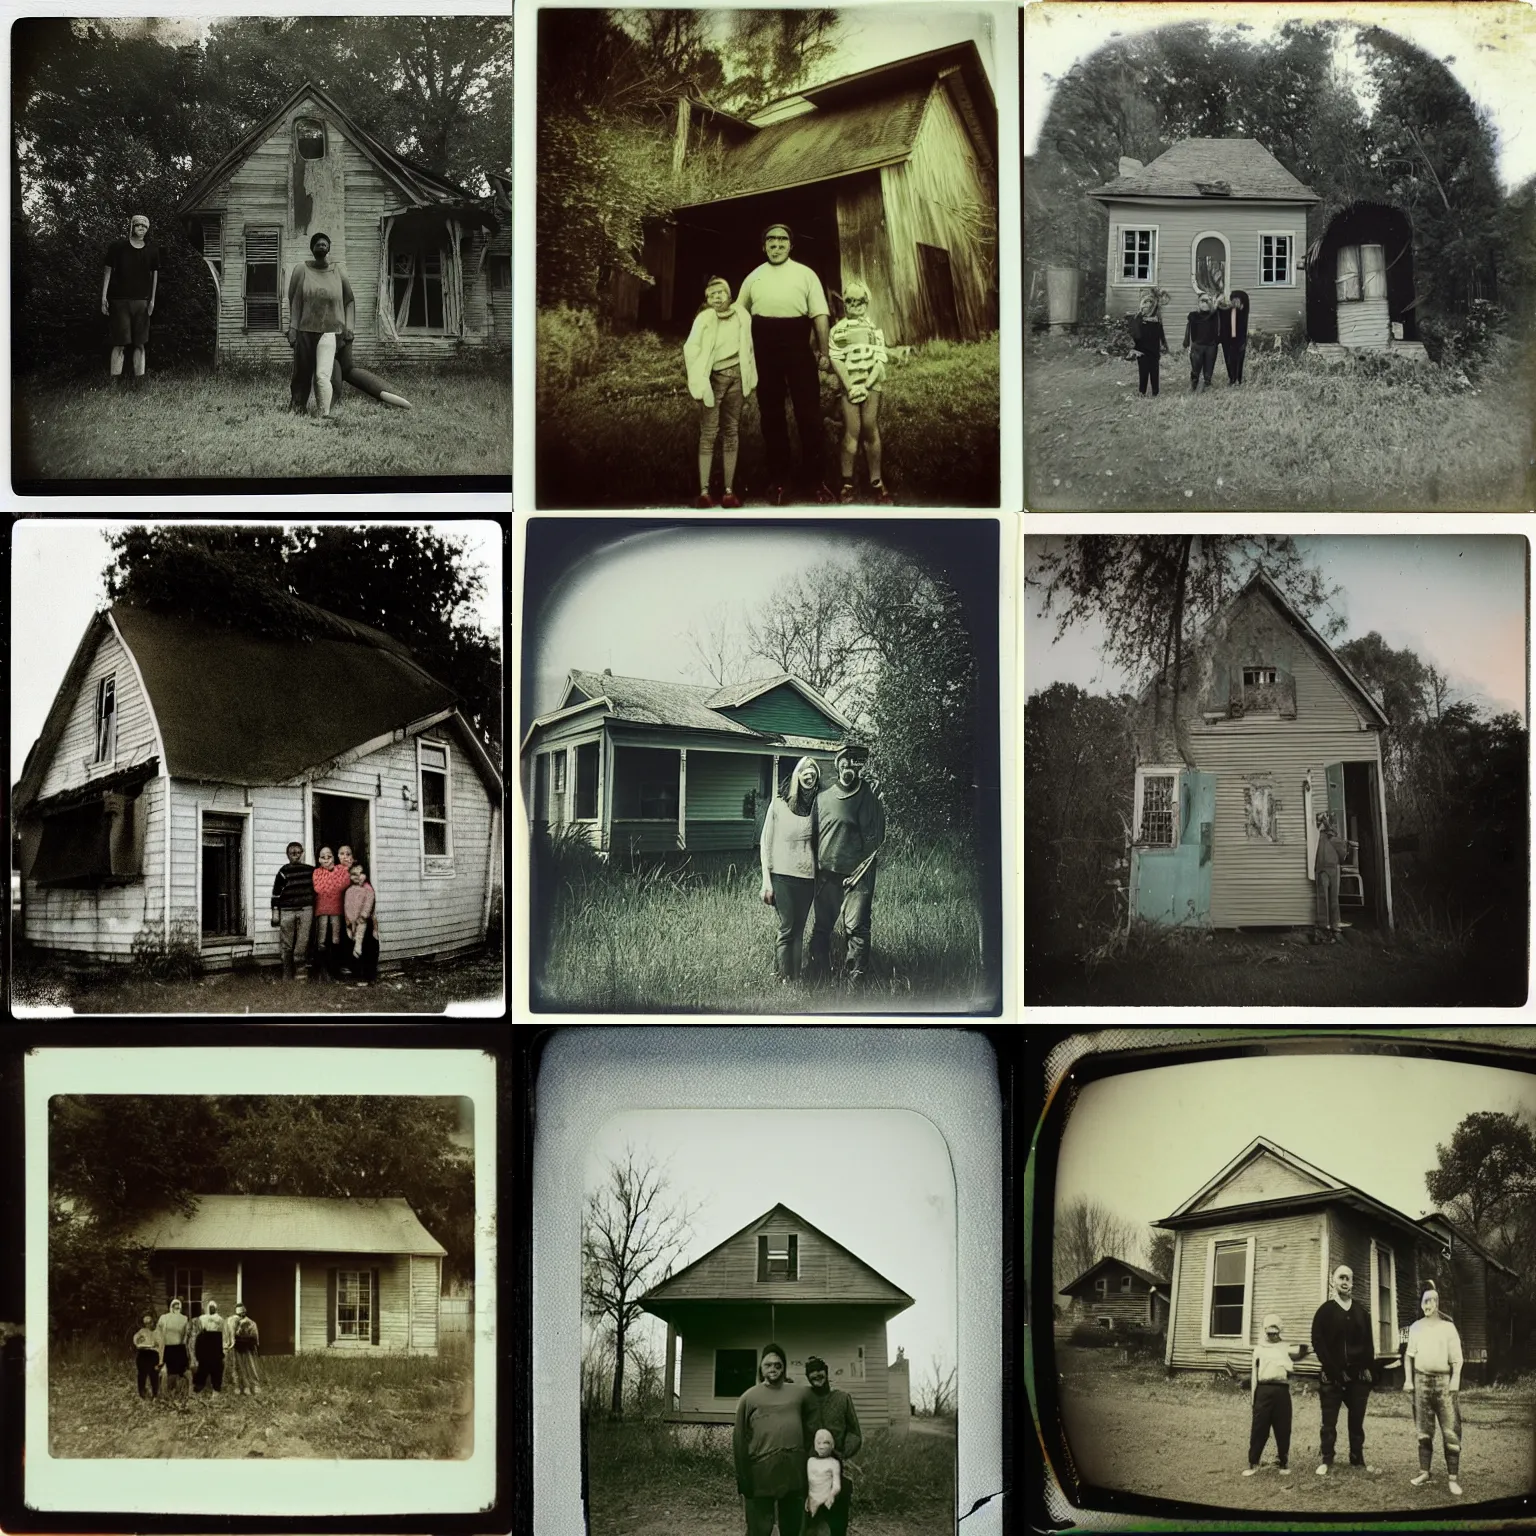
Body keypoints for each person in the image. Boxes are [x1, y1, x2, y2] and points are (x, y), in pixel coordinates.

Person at [737, 223, 836, 506]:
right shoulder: (753, 278)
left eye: (782, 240)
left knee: (809, 415)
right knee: (772, 416)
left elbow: (819, 315)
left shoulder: (806, 274)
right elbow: (738, 316)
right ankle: (780, 481)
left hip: (797, 348)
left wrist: (824, 352)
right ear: (764, 245)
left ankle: (815, 481)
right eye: (771, 240)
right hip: (764, 349)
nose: (776, 244)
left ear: (791, 246)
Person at [808, 744, 886, 983]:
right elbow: (812, 837)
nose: (849, 765)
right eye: (845, 760)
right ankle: (817, 976)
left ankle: (856, 982)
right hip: (826, 875)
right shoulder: (822, 799)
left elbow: (877, 838)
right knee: (822, 928)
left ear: (861, 767)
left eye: (855, 761)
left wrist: (860, 871)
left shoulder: (869, 796)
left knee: (856, 929)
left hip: (858, 875)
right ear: (837, 764)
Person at [684, 275, 757, 508]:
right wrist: (699, 378)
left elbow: (749, 345)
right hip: (713, 380)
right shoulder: (704, 318)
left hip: (737, 377)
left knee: (731, 431)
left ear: (730, 295)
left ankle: (728, 491)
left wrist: (748, 374)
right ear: (706, 299)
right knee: (708, 433)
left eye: (721, 292)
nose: (717, 297)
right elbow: (691, 348)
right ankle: (704, 492)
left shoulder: (741, 316)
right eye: (711, 294)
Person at [733, 1341, 812, 1536]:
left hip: (793, 1470)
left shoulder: (800, 1394)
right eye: (768, 1365)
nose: (773, 1369)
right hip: (761, 1470)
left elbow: (815, 1420)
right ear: (761, 1368)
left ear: (784, 1368)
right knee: (759, 1528)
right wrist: (743, 1479)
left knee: (792, 1526)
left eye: (778, 1365)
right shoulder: (749, 1397)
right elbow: (739, 1441)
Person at [827, 280, 892, 504]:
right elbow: (836, 358)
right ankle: (847, 483)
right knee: (852, 431)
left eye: (860, 300)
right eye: (850, 300)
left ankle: (877, 482)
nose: (855, 304)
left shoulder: (875, 330)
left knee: (870, 428)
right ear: (844, 303)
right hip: (849, 385)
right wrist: (850, 385)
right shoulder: (837, 330)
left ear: (867, 302)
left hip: (871, 384)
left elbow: (879, 361)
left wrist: (865, 385)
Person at [1311, 1264, 1378, 1476]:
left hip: (1357, 1377)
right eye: (1341, 1277)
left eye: (1349, 1278)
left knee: (1356, 1420)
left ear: (1352, 1283)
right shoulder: (1324, 1311)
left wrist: (1367, 1369)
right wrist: (1332, 1370)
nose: (1345, 1282)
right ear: (1333, 1281)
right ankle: (1327, 1459)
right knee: (1329, 1421)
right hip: (1332, 1376)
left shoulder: (1361, 1312)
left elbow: (1369, 1344)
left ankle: (1357, 1458)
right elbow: (1318, 1342)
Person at [760, 756, 821, 983]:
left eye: (813, 771)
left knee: (799, 930)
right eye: (804, 770)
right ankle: (784, 980)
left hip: (808, 877)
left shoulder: (818, 806)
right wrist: (766, 881)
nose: (809, 774)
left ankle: (794, 977)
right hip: (782, 877)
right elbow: (765, 844)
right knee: (787, 927)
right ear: (796, 774)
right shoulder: (778, 803)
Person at [286, 232, 355, 420]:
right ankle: (297, 406)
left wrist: (349, 328)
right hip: (305, 329)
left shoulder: (338, 271)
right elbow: (295, 300)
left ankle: (326, 409)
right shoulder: (302, 269)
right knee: (302, 371)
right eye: (318, 244)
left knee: (328, 373)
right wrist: (293, 328)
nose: (321, 246)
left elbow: (349, 300)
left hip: (332, 331)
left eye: (325, 244)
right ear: (312, 248)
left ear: (329, 248)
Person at [1405, 1285, 1464, 1495]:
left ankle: (1453, 1478)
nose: (1429, 1305)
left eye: (1432, 1300)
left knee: (1451, 1429)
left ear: (1438, 1303)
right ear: (1421, 1305)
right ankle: (1424, 1471)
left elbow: (1457, 1359)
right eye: (1425, 1301)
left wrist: (1455, 1380)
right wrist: (1408, 1381)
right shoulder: (1415, 1327)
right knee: (1423, 1429)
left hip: (1444, 1383)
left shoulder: (1448, 1328)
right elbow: (1409, 1356)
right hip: (1421, 1381)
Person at [803, 1355, 861, 1536]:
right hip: (810, 1472)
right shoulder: (804, 1401)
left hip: (837, 1469)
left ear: (826, 1373)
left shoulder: (842, 1398)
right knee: (810, 1523)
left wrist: (843, 1453)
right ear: (808, 1377)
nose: (816, 1375)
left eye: (819, 1370)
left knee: (837, 1523)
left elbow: (855, 1432)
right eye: (812, 1372)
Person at [1245, 1313, 1309, 1477]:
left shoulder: (1286, 1347)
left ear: (1280, 1331)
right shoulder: (1258, 1349)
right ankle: (1253, 1463)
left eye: (1275, 1332)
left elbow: (1304, 1349)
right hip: (1263, 1390)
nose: (1272, 1335)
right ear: (1264, 1331)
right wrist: (1254, 1399)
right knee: (1259, 1427)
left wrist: (1301, 1353)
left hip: (1281, 1390)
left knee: (1283, 1428)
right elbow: (1254, 1374)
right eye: (1269, 1332)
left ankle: (1283, 1462)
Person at [99, 214, 159, 389]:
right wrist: (104, 297)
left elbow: (154, 275)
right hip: (120, 301)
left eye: (145, 226)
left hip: (142, 302)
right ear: (132, 226)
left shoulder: (152, 250)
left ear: (147, 230)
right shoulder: (117, 248)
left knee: (140, 343)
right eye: (138, 225)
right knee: (119, 343)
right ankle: (114, 385)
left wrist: (152, 300)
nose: (141, 228)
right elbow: (107, 272)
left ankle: (140, 384)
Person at [271, 840, 315, 982]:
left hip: (305, 910)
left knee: (302, 942)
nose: (295, 855)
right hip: (287, 910)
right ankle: (287, 972)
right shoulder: (283, 871)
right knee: (287, 943)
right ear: (287, 855)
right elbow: (276, 894)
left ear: (302, 854)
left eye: (298, 852)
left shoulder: (311, 870)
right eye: (292, 853)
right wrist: (275, 912)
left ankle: (301, 971)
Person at [1313, 812, 1352, 944]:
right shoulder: (1316, 836)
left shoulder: (1335, 838)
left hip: (1332, 869)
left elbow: (1342, 855)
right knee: (1323, 899)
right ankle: (1323, 930)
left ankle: (1335, 929)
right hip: (1322, 868)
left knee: (1332, 900)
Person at [312, 847, 350, 981]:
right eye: (323, 857)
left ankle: (335, 969)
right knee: (321, 940)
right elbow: (318, 888)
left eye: (329, 856)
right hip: (322, 909)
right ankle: (322, 970)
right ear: (318, 859)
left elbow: (343, 884)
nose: (326, 859)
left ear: (333, 857)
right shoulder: (316, 872)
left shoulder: (341, 869)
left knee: (336, 938)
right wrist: (333, 881)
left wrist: (329, 882)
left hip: (336, 909)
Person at [1129, 289, 1170, 398]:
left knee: (1154, 371)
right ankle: (1142, 392)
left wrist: (1165, 345)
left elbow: (1161, 335)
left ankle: (1155, 392)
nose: (1147, 306)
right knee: (1143, 372)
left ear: (1153, 307)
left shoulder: (1157, 320)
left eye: (1149, 304)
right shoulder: (1138, 319)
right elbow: (1134, 334)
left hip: (1154, 350)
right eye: (1145, 303)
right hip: (1141, 350)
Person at [344, 862, 380, 986]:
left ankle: (369, 976)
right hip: (353, 923)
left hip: (366, 922)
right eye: (354, 874)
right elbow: (347, 906)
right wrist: (348, 921)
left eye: (360, 873)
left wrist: (363, 917)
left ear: (365, 875)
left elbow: (368, 905)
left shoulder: (368, 888)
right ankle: (358, 973)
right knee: (354, 947)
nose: (357, 876)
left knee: (368, 947)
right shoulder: (349, 890)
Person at [156, 1296, 192, 1412]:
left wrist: (186, 1349)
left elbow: (186, 1336)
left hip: (179, 1348)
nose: (176, 1308)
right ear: (170, 1307)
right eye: (174, 1306)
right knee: (165, 1372)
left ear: (180, 1307)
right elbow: (158, 1333)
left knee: (184, 1372)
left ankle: (189, 1393)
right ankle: (164, 1395)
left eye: (178, 1307)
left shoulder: (184, 1319)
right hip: (167, 1348)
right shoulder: (164, 1318)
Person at [189, 1299, 231, 1398]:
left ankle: (216, 1390)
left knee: (217, 1368)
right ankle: (197, 1390)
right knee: (203, 1368)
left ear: (216, 1308)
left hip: (216, 1342)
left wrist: (224, 1348)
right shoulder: (202, 1318)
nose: (212, 1309)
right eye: (210, 1307)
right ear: (207, 1308)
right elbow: (198, 1332)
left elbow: (223, 1333)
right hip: (204, 1341)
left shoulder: (220, 1319)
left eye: (213, 1307)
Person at [804, 1427, 842, 1536]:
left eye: (826, 1442)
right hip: (811, 1501)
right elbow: (808, 1482)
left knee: (824, 1528)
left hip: (825, 1502)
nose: (822, 1446)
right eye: (819, 1442)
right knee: (809, 1529)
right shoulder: (810, 1462)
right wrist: (807, 1497)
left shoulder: (834, 1463)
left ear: (832, 1445)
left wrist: (831, 1495)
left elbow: (837, 1485)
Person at [1183, 292, 1220, 393]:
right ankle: (1194, 385)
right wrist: (1188, 346)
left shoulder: (1215, 315)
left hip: (1211, 346)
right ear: (1198, 304)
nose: (1204, 304)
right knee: (1195, 369)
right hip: (1197, 346)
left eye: (1207, 301)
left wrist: (1217, 342)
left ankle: (1207, 386)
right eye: (1202, 301)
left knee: (1209, 369)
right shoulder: (1193, 316)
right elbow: (1189, 331)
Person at [229, 1302, 262, 1397]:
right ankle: (240, 1386)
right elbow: (231, 1336)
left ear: (245, 1312)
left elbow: (255, 1338)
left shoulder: (251, 1323)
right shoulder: (233, 1322)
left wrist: (254, 1347)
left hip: (248, 1348)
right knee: (237, 1367)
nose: (240, 1315)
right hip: (237, 1348)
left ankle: (255, 1385)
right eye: (238, 1313)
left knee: (251, 1367)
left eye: (242, 1313)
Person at [1220, 289, 1250, 385]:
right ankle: (1232, 379)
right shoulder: (1226, 311)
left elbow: (1245, 303)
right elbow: (1218, 309)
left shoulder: (1243, 312)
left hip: (1239, 339)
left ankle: (1239, 379)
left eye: (1237, 300)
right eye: (1233, 300)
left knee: (1238, 359)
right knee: (1228, 359)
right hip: (1227, 338)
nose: (1234, 302)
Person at [133, 1311, 162, 1404]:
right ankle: (142, 1393)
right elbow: (136, 1340)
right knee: (142, 1374)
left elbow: (161, 1345)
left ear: (153, 1322)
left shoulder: (157, 1332)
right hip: (143, 1353)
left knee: (154, 1375)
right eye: (146, 1323)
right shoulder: (141, 1331)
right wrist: (139, 1340)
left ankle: (155, 1394)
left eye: (150, 1322)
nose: (148, 1325)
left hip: (153, 1354)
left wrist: (160, 1360)